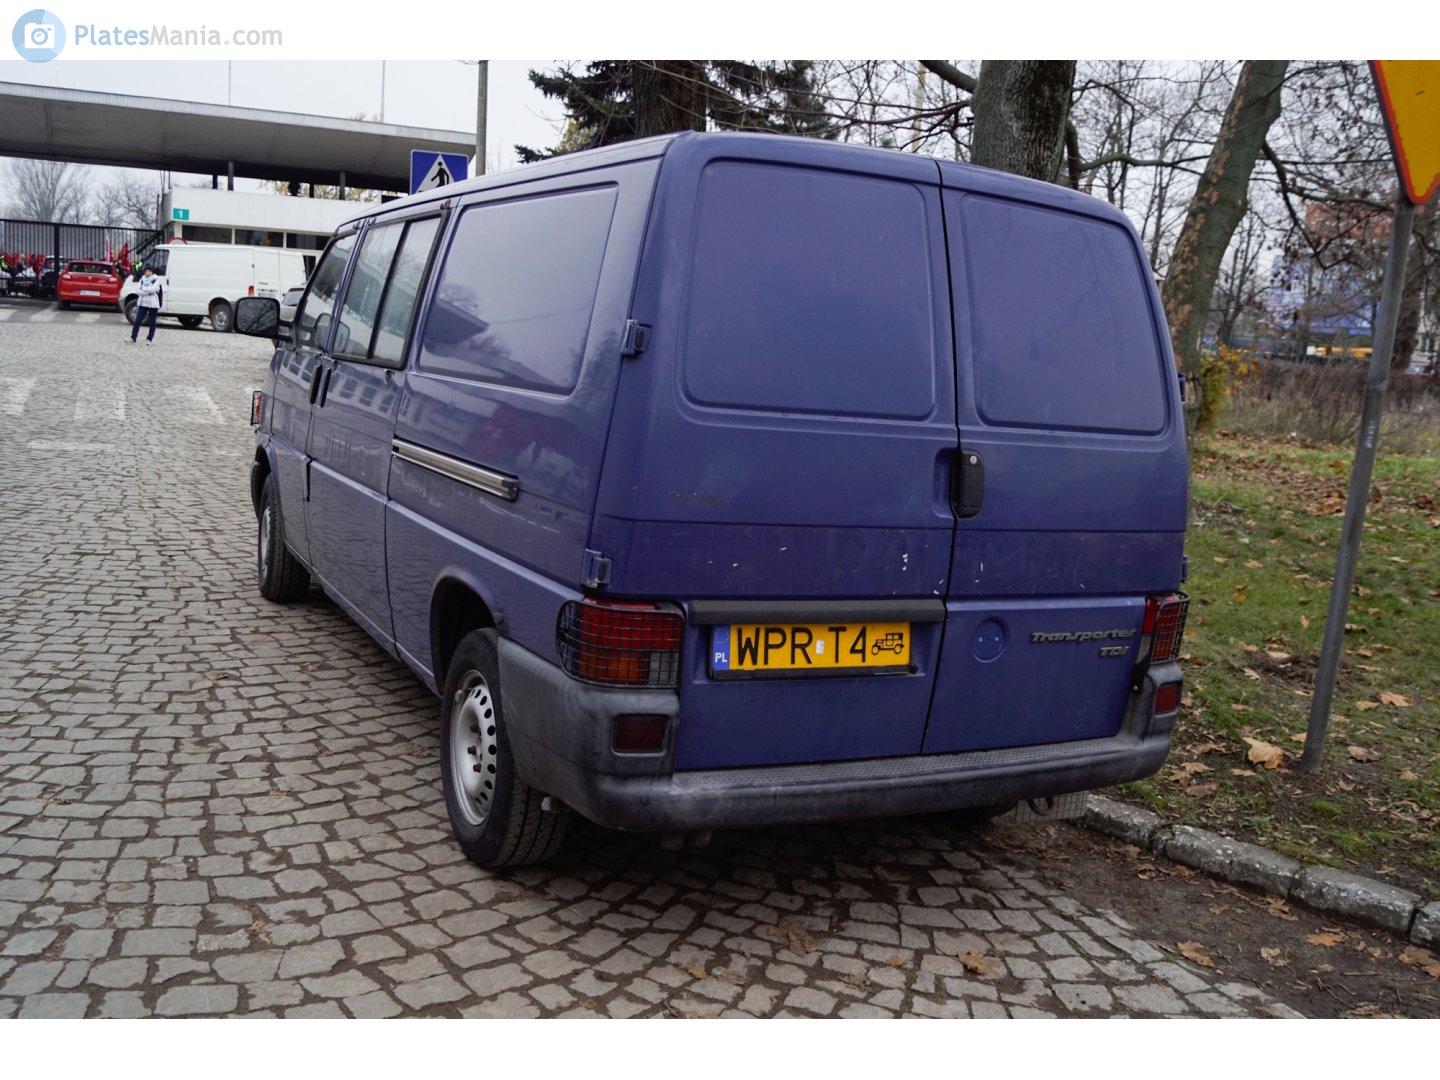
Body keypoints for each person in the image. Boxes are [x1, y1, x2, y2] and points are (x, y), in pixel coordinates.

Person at [130, 266, 163, 344]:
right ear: (144, 273)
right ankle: (133, 337)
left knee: (152, 322)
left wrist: (144, 289)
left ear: (152, 272)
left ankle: (150, 338)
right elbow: (137, 290)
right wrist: (147, 292)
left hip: (153, 304)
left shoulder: (156, 280)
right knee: (137, 320)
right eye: (146, 272)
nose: (148, 273)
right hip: (143, 303)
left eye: (149, 271)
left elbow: (153, 290)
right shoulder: (141, 280)